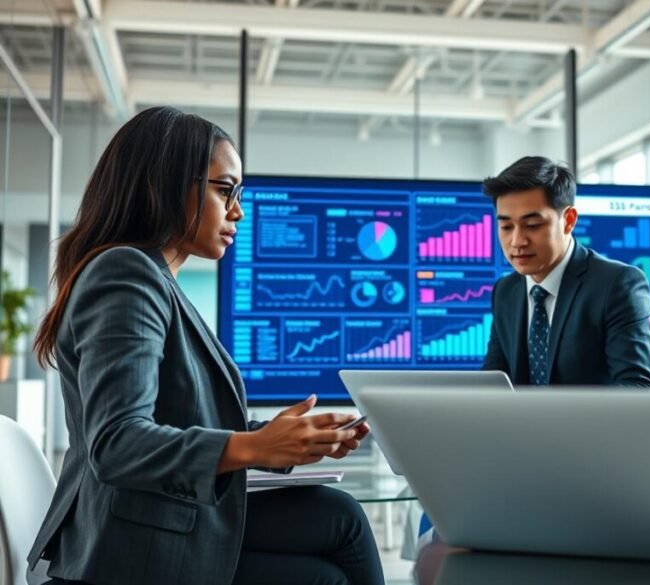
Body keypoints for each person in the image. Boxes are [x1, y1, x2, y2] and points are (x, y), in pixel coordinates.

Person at [28, 107, 385, 585]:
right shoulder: (125, 274)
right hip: (127, 548)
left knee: (339, 519)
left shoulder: (153, 280)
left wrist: (277, 439)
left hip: (154, 521)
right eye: (224, 190)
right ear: (166, 185)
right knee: (331, 558)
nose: (238, 211)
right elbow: (117, 443)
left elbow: (175, 419)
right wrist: (254, 445)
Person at [481, 156, 650, 387]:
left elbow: (639, 386)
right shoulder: (506, 291)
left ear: (569, 220)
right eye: (506, 227)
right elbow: (492, 382)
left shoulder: (617, 285)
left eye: (532, 225)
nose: (516, 241)